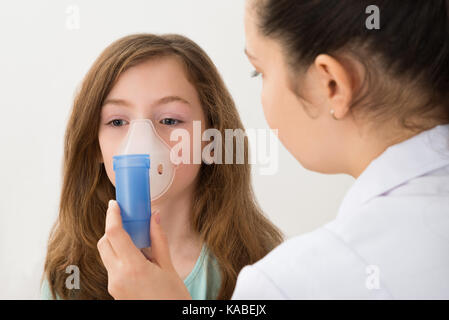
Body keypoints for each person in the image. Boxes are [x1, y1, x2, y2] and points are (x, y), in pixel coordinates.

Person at [93, 0, 449, 299]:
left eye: (259, 71)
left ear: (332, 84)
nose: (141, 143)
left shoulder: (280, 283)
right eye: (117, 121)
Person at [40, 33, 283, 300]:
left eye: (169, 120)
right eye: (117, 122)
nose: (141, 143)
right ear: (94, 145)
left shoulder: (261, 268)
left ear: (211, 140)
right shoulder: (70, 273)